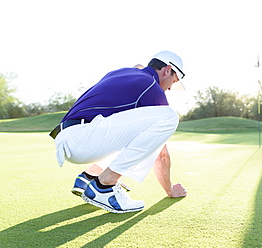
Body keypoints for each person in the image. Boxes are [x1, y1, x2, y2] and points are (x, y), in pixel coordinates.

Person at [49, 51, 187, 213]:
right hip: (83, 138)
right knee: (169, 117)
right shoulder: (151, 87)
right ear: (167, 69)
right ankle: (104, 186)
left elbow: (137, 67)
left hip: (69, 137)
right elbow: (160, 153)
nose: (170, 87)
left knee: (137, 136)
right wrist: (170, 190)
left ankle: (88, 177)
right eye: (174, 80)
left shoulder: (121, 73)